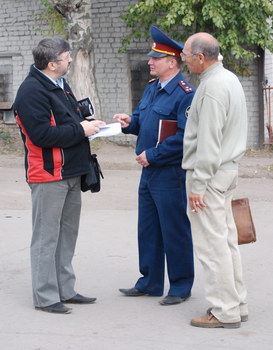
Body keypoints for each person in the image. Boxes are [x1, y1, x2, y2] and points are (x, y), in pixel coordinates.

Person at [13, 38, 105, 314]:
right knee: (45, 238)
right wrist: (81, 131)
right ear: (52, 64)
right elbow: (41, 135)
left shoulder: (60, 85)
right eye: (67, 57)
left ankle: (65, 289)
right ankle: (45, 296)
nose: (70, 60)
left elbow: (68, 121)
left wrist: (85, 124)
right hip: (48, 174)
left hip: (71, 171)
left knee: (67, 235)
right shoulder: (31, 92)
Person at [113, 26, 195, 306]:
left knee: (174, 229)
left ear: (172, 62)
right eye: (151, 57)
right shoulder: (151, 89)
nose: (150, 61)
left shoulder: (185, 94)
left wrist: (154, 155)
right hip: (148, 170)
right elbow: (142, 122)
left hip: (169, 171)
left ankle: (181, 286)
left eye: (156, 58)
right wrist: (129, 123)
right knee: (148, 227)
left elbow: (185, 139)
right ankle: (150, 281)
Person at [181, 32, 248, 328]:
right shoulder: (228, 79)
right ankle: (237, 303)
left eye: (185, 55)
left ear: (200, 57)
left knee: (212, 245)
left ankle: (224, 310)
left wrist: (198, 186)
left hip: (208, 175)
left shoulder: (210, 88)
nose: (183, 60)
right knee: (227, 241)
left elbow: (208, 142)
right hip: (226, 170)